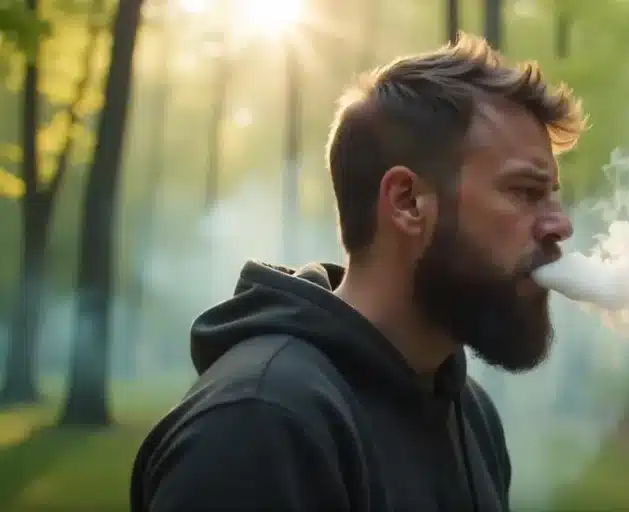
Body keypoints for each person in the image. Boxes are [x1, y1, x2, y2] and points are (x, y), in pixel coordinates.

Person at [129, 33, 585, 512]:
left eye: (553, 194)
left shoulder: (469, 412)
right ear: (407, 202)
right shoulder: (262, 424)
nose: (560, 224)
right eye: (525, 191)